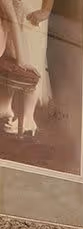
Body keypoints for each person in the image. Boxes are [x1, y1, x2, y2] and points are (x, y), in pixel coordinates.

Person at [0, 0, 52, 137]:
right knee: (11, 52)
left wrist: (46, 10)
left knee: (31, 51)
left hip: (30, 9)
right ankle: (5, 106)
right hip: (12, 10)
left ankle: (28, 118)